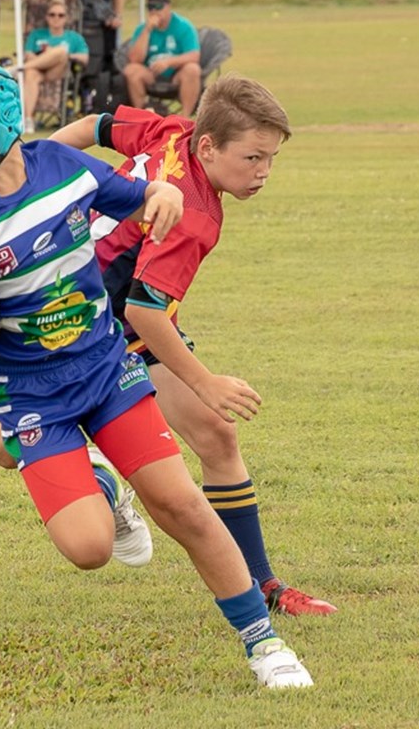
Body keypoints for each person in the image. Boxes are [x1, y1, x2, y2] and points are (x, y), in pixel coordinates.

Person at [0, 57, 314, 688]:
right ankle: (103, 487)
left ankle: (264, 644)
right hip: (31, 398)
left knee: (182, 503)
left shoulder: (64, 166)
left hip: (108, 368)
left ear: (5, 119)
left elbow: (142, 192)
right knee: (89, 549)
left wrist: (160, 194)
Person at [48, 76, 338, 617]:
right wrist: (206, 382)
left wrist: (31, 165)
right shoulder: (196, 216)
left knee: (215, 435)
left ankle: (262, 585)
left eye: (271, 159)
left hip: (104, 308)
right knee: (141, 453)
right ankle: (100, 482)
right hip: (86, 325)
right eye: (252, 158)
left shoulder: (171, 131)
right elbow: (145, 311)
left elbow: (94, 125)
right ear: (209, 147)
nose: (263, 173)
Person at [123, 0, 201, 113]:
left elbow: (194, 56)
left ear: (168, 7)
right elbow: (134, 59)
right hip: (151, 75)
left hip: (176, 75)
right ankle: (143, 116)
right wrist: (147, 30)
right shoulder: (142, 29)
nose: (154, 11)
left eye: (158, 7)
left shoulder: (184, 26)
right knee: (131, 70)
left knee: (192, 69)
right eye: (150, 7)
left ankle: (185, 118)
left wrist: (168, 62)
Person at [20, 0, 89, 134]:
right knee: (31, 74)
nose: (56, 18)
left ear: (66, 18)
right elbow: (28, 54)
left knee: (60, 52)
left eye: (60, 15)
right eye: (52, 15)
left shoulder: (73, 37)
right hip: (37, 71)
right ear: (46, 17)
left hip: (58, 71)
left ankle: (19, 69)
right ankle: (28, 120)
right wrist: (45, 58)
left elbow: (84, 57)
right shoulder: (36, 34)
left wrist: (61, 55)